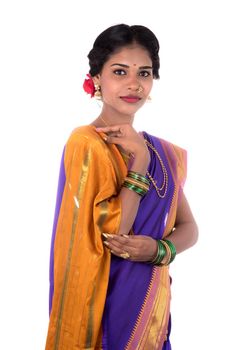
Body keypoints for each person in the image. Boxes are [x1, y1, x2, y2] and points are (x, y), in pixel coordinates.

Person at [45, 23, 198, 350]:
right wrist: (139, 161)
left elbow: (189, 228)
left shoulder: (162, 152)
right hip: (105, 308)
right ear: (97, 78)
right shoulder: (86, 143)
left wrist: (159, 250)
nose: (134, 84)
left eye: (144, 73)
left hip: (150, 309)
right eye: (120, 71)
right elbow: (115, 230)